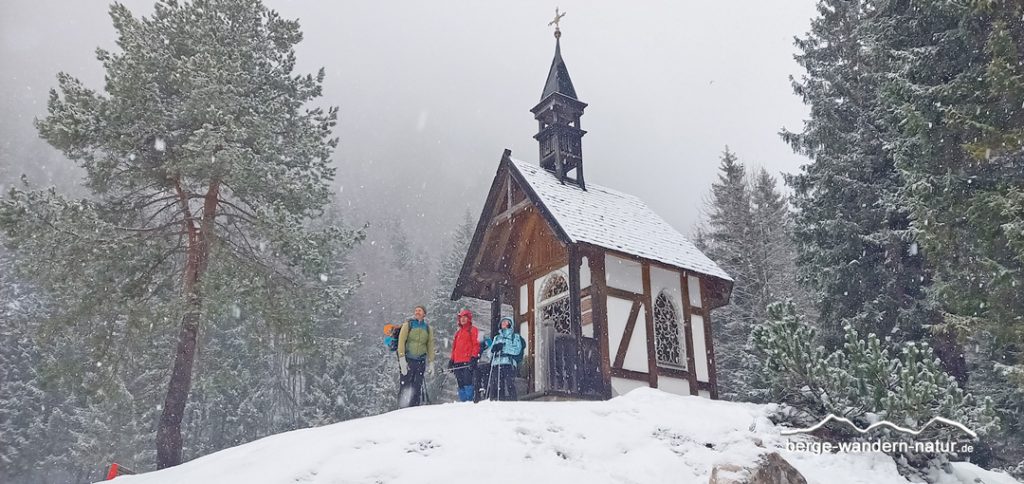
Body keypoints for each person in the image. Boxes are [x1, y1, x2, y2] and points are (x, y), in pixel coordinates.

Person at [397, 305, 435, 408]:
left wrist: (431, 362)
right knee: (405, 386)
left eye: (420, 310)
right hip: (408, 360)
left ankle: (414, 408)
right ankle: (402, 408)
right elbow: (401, 341)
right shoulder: (408, 325)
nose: (417, 312)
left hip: (421, 361)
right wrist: (402, 360)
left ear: (424, 314)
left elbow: (430, 345)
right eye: (416, 310)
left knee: (417, 386)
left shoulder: (428, 328)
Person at [487, 316, 523, 401]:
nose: (503, 323)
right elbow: (489, 354)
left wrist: (504, 348)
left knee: (509, 383)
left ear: (510, 324)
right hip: (496, 363)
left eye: (506, 321)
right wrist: (492, 350)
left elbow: (517, 350)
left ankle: (513, 401)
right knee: (497, 384)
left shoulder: (515, 337)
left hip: (508, 363)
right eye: (502, 322)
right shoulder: (497, 338)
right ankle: (499, 401)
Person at [448, 309, 481, 402]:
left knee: (468, 381)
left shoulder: (473, 330)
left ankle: (469, 401)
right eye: (461, 318)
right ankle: (463, 402)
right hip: (457, 361)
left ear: (469, 319)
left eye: (465, 317)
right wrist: (451, 360)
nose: (462, 319)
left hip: (467, 361)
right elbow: (454, 348)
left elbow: (476, 344)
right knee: (460, 383)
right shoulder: (458, 333)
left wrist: (474, 357)